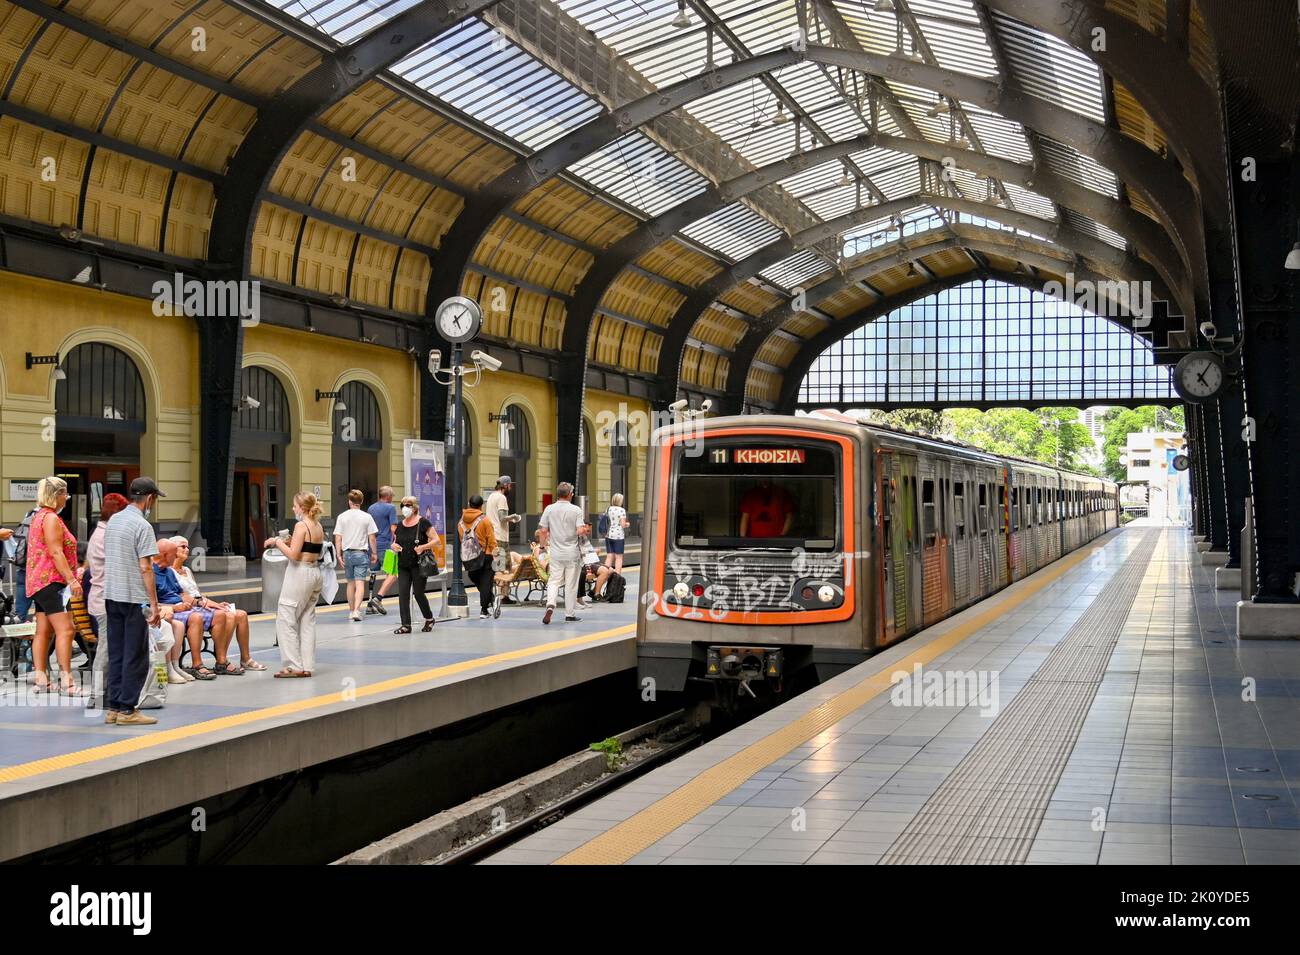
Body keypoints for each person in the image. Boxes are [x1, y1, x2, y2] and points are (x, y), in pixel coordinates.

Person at [103, 477, 164, 726]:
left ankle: (114, 708)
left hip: (111, 595)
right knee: (135, 655)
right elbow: (146, 568)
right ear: (149, 498)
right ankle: (128, 710)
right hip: (134, 599)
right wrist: (154, 605)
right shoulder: (142, 526)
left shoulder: (114, 520)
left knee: (116, 653)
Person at [26, 477, 86, 697]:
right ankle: (67, 682)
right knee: (66, 629)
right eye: (65, 494)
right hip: (53, 582)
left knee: (43, 630)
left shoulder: (37, 516)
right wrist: (71, 579)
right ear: (57, 494)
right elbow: (56, 552)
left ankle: (41, 679)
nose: (66, 499)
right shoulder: (51, 518)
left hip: (38, 583)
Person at [169, 536, 264, 675]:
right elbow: (186, 597)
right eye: (183, 546)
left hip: (201, 604)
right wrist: (213, 606)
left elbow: (198, 594)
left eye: (188, 546)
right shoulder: (170, 572)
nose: (187, 549)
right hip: (192, 607)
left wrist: (216, 604)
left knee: (241, 614)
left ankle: (245, 658)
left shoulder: (187, 570)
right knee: (228, 615)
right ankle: (222, 660)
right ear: (173, 550)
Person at [264, 492, 325, 678]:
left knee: (286, 618)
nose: (293, 508)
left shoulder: (301, 525)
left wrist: (277, 542)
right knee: (307, 620)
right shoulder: (317, 525)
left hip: (300, 574)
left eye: (294, 506)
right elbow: (308, 548)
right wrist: (290, 541)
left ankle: (293, 666)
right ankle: (307, 665)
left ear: (303, 508)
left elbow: (294, 555)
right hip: (315, 572)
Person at [153, 539, 220, 680]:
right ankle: (168, 670)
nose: (176, 557)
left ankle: (174, 666)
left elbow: (181, 593)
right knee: (178, 622)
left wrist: (196, 602)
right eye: (173, 554)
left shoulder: (169, 572)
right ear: (165, 555)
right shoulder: (150, 573)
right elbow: (150, 602)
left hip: (177, 609)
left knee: (179, 624)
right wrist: (174, 608)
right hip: (163, 611)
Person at [88, 493, 130, 704]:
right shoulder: (105, 536)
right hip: (104, 600)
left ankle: (107, 691)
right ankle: (97, 695)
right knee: (106, 647)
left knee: (110, 646)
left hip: (104, 598)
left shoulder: (101, 533)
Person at [537, 482, 589, 625]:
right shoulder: (576, 510)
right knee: (571, 585)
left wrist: (542, 547)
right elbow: (579, 531)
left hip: (555, 553)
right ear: (570, 494)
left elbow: (543, 531)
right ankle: (569, 614)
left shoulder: (549, 509)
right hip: (572, 553)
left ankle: (550, 604)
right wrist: (585, 530)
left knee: (554, 581)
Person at [391, 495, 437, 634]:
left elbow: (436, 540)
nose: (405, 508)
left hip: (418, 564)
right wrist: (394, 546)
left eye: (408, 505)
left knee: (418, 593)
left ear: (415, 507)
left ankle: (429, 618)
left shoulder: (423, 522)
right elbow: (395, 541)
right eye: (403, 505)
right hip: (403, 564)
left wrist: (423, 547)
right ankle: (406, 624)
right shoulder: (400, 525)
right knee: (403, 594)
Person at [332, 489, 378, 622]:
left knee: (350, 583)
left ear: (349, 501)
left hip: (347, 553)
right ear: (361, 501)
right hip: (361, 553)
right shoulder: (366, 517)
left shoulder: (342, 517)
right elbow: (372, 538)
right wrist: (374, 553)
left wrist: (338, 554)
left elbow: (338, 538)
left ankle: (351, 611)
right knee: (360, 583)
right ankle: (357, 610)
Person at [458, 494, 498, 619]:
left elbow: (461, 539)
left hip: (469, 556)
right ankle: (484, 610)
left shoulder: (461, 521)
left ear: (469, 504)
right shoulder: (485, 520)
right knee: (486, 581)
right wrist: (498, 558)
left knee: (473, 576)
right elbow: (492, 541)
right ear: (481, 506)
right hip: (485, 554)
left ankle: (490, 599)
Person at [366, 486, 399, 615]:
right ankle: (378, 598)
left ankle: (369, 604)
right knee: (392, 573)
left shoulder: (371, 508)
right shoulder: (390, 508)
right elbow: (393, 528)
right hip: (386, 546)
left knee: (373, 573)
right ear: (388, 496)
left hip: (372, 545)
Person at [602, 493, 631, 577]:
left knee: (609, 556)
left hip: (608, 535)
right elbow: (622, 524)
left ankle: (604, 574)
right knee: (618, 558)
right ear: (620, 501)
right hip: (618, 536)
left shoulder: (608, 509)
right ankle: (617, 577)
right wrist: (627, 524)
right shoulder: (621, 510)